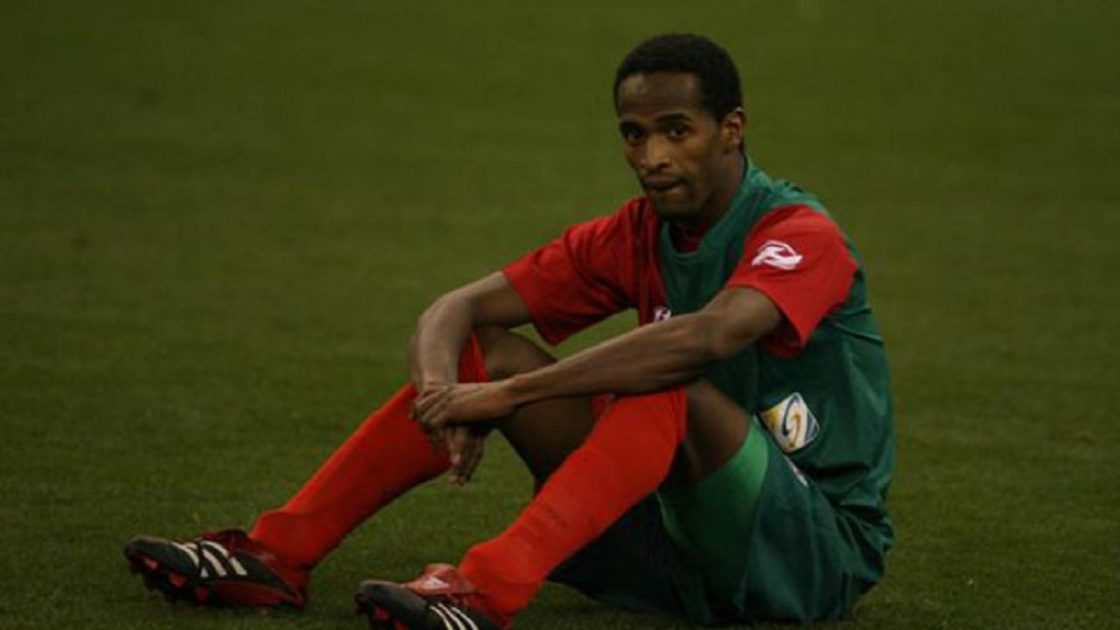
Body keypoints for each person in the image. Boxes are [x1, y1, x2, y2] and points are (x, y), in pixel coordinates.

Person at [125, 33, 895, 629]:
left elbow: (704, 341)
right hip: (675, 548)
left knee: (666, 382)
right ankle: (276, 554)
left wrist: (513, 397)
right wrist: (445, 398)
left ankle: (484, 591)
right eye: (634, 135)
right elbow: (455, 311)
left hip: (808, 556)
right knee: (486, 356)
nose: (653, 158)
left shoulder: (800, 233)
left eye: (677, 131)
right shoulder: (635, 233)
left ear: (731, 130)